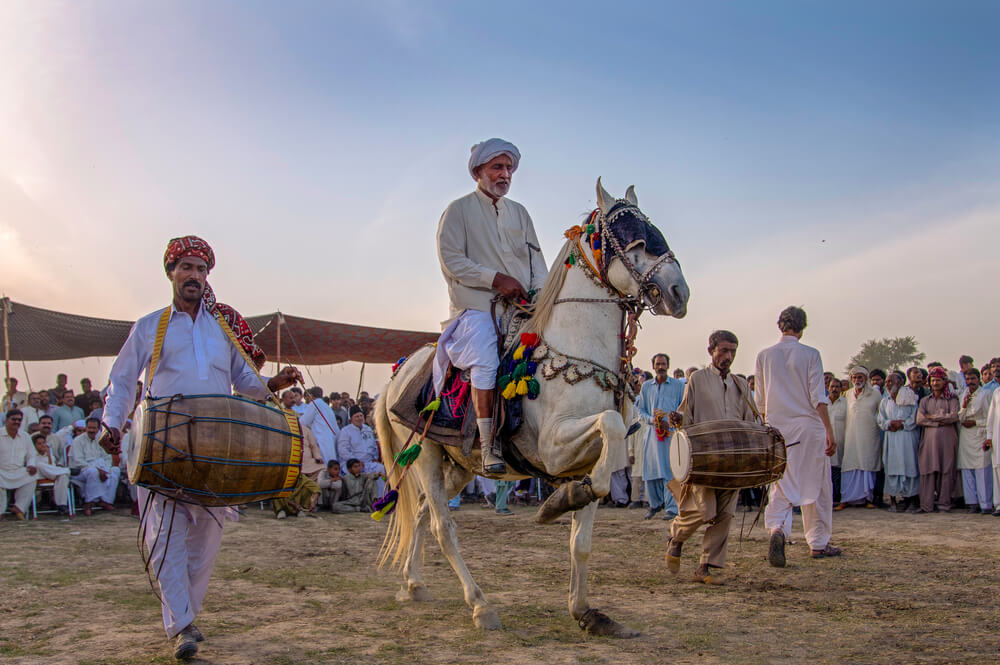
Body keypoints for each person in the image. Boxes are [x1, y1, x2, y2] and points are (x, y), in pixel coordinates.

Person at [100, 235, 301, 660]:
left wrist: (273, 384)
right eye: (186, 267)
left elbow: (244, 385)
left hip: (218, 447)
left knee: (206, 540)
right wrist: (111, 425)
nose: (194, 275)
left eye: (201, 269)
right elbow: (122, 381)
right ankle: (181, 624)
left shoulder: (221, 327)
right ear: (170, 272)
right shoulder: (149, 326)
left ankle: (186, 614)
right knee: (166, 536)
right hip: (163, 445)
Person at [432, 138, 547, 474]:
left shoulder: (520, 213)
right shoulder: (458, 210)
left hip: (522, 308)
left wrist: (540, 294)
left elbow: (536, 262)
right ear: (478, 171)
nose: (505, 174)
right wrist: (496, 278)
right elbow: (451, 259)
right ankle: (488, 446)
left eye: (509, 168)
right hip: (477, 307)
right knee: (485, 358)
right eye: (497, 167)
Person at [664, 330, 755, 584]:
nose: (729, 356)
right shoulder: (697, 379)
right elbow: (686, 415)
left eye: (733, 351)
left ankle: (705, 567)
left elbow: (749, 422)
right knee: (706, 511)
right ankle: (676, 536)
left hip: (733, 462)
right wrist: (678, 421)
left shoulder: (741, 384)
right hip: (705, 460)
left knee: (725, 514)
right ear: (711, 351)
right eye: (724, 350)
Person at [755, 306, 840, 566]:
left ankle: (777, 529)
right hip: (809, 428)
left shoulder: (764, 356)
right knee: (818, 486)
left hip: (778, 429)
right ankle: (818, 543)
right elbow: (818, 396)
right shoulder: (811, 354)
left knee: (780, 484)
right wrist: (829, 429)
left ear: (780, 325)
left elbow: (760, 401)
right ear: (802, 328)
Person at [635, 353, 684, 520]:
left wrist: (671, 421)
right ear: (653, 367)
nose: (661, 367)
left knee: (670, 470)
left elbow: (684, 407)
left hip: (671, 434)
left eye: (664, 364)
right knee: (650, 470)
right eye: (658, 364)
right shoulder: (646, 386)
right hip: (652, 434)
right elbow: (640, 411)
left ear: (668, 366)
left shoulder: (678, 385)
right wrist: (652, 420)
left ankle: (672, 508)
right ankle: (654, 505)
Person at [836, 367, 883, 510]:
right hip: (850, 435)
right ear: (851, 379)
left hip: (869, 434)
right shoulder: (847, 394)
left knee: (867, 463)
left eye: (860, 378)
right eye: (855, 378)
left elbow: (881, 414)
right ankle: (846, 499)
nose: (857, 380)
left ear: (866, 379)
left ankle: (868, 498)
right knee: (849, 463)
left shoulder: (875, 394)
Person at [915, 366, 960, 513]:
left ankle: (943, 505)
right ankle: (926, 506)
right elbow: (920, 419)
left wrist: (931, 417)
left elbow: (954, 416)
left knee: (946, 471)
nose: (935, 383)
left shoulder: (952, 399)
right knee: (927, 471)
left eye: (938, 380)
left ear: (944, 381)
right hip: (928, 442)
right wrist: (939, 420)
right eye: (933, 380)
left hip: (947, 440)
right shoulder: (924, 401)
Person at [877, 371, 920, 512]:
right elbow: (880, 419)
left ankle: (910, 501)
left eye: (891, 381)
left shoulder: (911, 398)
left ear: (901, 382)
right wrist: (890, 423)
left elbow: (914, 418)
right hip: (892, 438)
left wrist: (903, 424)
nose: (888, 384)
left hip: (907, 438)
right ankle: (893, 501)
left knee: (910, 467)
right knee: (892, 467)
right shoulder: (885, 401)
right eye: (887, 381)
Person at [957, 368, 992, 513]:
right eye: (968, 379)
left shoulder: (986, 394)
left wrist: (976, 423)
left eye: (973, 379)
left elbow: (991, 418)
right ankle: (972, 503)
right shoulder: (963, 395)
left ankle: (986, 504)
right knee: (967, 470)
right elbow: (959, 417)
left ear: (979, 380)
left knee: (982, 470)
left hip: (980, 434)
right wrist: (964, 406)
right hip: (966, 436)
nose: (970, 382)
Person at [69, 417, 119, 516]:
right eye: (89, 428)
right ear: (86, 428)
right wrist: (98, 469)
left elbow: (107, 458)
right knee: (93, 472)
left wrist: (104, 469)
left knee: (115, 470)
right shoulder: (78, 440)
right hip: (81, 470)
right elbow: (78, 461)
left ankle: (106, 500)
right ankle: (89, 503)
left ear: (98, 428)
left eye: (94, 428)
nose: (91, 430)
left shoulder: (102, 439)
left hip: (102, 467)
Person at [0, 409, 37, 520]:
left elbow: (31, 455)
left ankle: (19, 508)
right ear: (7, 420)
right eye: (14, 419)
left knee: (32, 476)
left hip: (18, 471)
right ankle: (0, 512)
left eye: (19, 420)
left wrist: (31, 465)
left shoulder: (25, 436)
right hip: (1, 471)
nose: (16, 422)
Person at [30, 432, 71, 515]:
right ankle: (68, 470)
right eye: (39, 444)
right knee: (40, 465)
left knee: (63, 476)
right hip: (38, 476)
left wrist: (48, 455)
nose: (42, 445)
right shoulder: (32, 455)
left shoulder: (49, 455)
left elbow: (52, 467)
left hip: (51, 475)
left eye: (44, 443)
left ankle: (61, 505)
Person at [336, 405, 384, 476]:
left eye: (361, 416)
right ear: (351, 419)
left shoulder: (368, 429)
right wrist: (356, 462)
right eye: (357, 416)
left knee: (381, 468)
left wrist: (375, 458)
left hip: (369, 462)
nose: (360, 418)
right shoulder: (345, 431)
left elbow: (374, 447)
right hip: (352, 464)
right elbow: (343, 451)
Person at [300, 386, 340, 464]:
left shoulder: (313, 404)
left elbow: (304, 422)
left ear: (311, 395)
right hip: (330, 439)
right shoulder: (326, 406)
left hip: (320, 438)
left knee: (323, 464)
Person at [826, 378, 847, 504]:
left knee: (838, 470)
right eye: (832, 387)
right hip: (824, 442)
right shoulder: (822, 403)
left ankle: (837, 498)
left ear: (841, 388)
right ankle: (828, 499)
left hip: (841, 441)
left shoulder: (845, 403)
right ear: (828, 388)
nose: (834, 389)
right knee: (826, 470)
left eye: (837, 387)